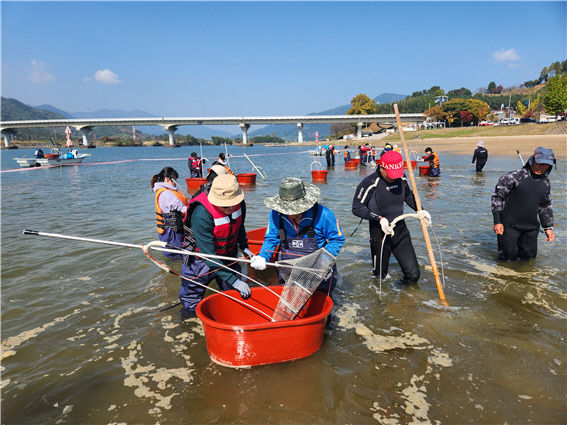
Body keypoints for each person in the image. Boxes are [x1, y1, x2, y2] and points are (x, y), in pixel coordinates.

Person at [249, 177, 345, 298]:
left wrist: (322, 261)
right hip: (288, 269)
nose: (290, 213)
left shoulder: (324, 214)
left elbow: (337, 240)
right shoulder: (276, 214)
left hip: (318, 270)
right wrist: (263, 256)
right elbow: (271, 239)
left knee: (321, 303)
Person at [352, 151, 430, 285]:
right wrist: (379, 219)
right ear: (381, 167)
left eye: (396, 174)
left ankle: (401, 299)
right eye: (390, 174)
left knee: (413, 276)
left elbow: (408, 196)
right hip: (380, 232)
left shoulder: (401, 178)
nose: (393, 178)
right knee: (380, 278)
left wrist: (421, 210)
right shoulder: (370, 182)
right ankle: (383, 303)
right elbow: (357, 208)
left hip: (400, 230)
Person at [179, 174, 253, 313]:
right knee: (191, 299)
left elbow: (239, 226)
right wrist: (234, 280)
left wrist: (245, 247)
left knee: (234, 296)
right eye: (225, 206)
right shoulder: (201, 213)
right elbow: (208, 254)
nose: (231, 208)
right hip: (200, 259)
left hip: (228, 254)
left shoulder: (239, 203)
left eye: (233, 203)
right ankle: (189, 327)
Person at [491, 146, 555, 261]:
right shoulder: (513, 177)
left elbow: (545, 205)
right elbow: (497, 198)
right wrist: (497, 222)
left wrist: (548, 227)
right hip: (509, 228)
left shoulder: (545, 183)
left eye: (545, 165)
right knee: (507, 260)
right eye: (539, 163)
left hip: (531, 229)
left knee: (528, 261)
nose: (541, 167)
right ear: (532, 160)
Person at [151, 167, 188, 258]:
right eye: (174, 180)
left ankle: (171, 270)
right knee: (176, 256)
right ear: (167, 179)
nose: (176, 184)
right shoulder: (167, 193)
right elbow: (182, 209)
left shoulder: (162, 191)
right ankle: (175, 270)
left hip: (168, 231)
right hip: (172, 232)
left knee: (172, 255)